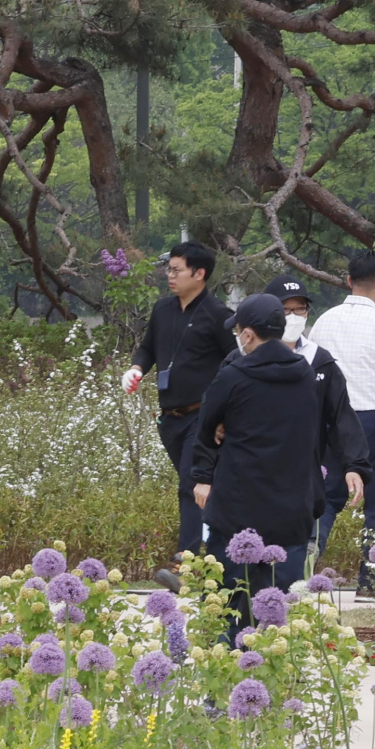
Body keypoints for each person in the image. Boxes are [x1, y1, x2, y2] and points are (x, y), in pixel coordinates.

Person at [189, 294, 321, 632]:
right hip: (291, 508)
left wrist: (205, 471)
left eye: (238, 331)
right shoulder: (305, 374)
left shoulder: (233, 376)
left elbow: (206, 426)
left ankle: (228, 659)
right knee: (280, 614)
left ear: (248, 334)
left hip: (239, 508)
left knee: (227, 607)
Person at [123, 241, 235, 577]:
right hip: (169, 417)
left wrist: (224, 415)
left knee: (191, 482)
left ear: (199, 274)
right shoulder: (163, 309)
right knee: (201, 488)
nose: (169, 276)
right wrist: (136, 369)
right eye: (168, 269)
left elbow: (234, 363)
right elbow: (147, 348)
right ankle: (218, 554)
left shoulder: (218, 314)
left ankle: (185, 560)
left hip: (202, 416)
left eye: (176, 270)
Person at [307, 249, 375, 590]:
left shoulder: (324, 321)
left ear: (349, 280)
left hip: (329, 423)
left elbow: (311, 372)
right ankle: (370, 580)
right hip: (372, 423)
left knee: (327, 497)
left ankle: (308, 557)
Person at [262, 273, 371, 586]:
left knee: (297, 548)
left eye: (300, 309)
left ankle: (300, 574)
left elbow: (341, 416)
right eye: (286, 310)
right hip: (260, 468)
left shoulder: (319, 361)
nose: (293, 317)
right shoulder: (248, 357)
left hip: (306, 467)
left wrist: (354, 465)